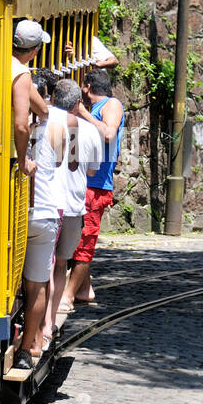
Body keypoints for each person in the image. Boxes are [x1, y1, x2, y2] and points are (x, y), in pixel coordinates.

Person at [15, 68, 69, 370]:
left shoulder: (13, 120)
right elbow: (61, 160)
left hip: (17, 211)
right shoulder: (60, 125)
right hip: (46, 211)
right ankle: (27, 348)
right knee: (36, 284)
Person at [45, 77, 101, 333]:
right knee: (60, 264)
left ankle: (41, 319)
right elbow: (87, 171)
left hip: (46, 201)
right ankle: (50, 320)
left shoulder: (44, 121)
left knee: (41, 264)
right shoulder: (85, 129)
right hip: (72, 205)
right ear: (78, 103)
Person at [68, 68, 125, 306]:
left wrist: (82, 113)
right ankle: (84, 288)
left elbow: (109, 134)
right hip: (85, 181)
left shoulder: (110, 104)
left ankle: (68, 295)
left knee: (85, 240)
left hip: (96, 184)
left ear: (87, 87)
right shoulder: (93, 110)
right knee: (76, 240)